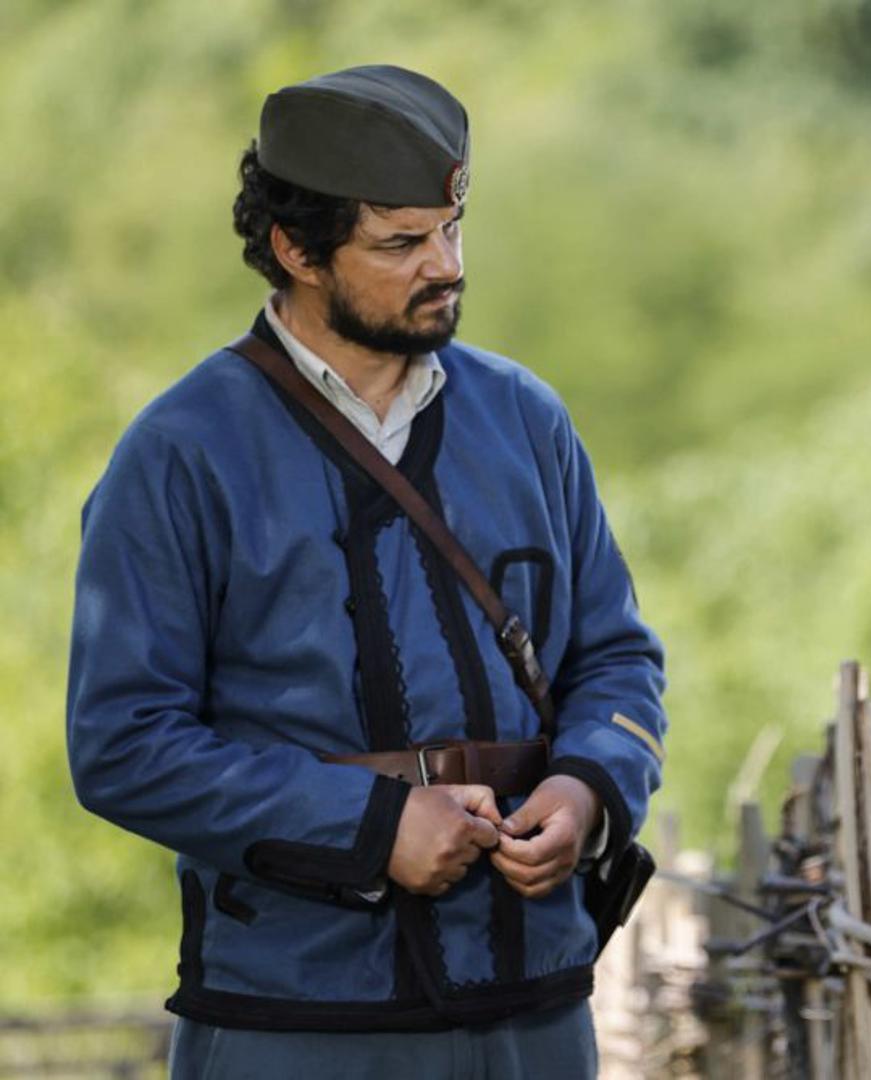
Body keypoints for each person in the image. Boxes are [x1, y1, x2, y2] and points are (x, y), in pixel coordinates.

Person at [66, 65, 666, 1077]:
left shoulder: (528, 420)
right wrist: (375, 825)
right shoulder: (179, 455)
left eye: (452, 230)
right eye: (401, 243)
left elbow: (616, 659)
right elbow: (124, 746)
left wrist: (587, 789)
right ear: (296, 249)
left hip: (536, 1013)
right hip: (293, 1025)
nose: (446, 266)